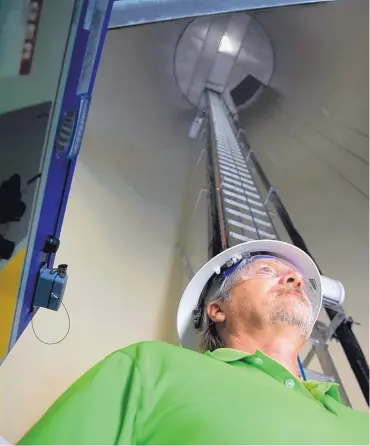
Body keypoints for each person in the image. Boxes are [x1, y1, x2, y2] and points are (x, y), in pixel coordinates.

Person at [19, 240, 369, 445]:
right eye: (266, 271)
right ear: (217, 309)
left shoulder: (360, 424)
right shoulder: (152, 366)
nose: (294, 278)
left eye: (294, 278)